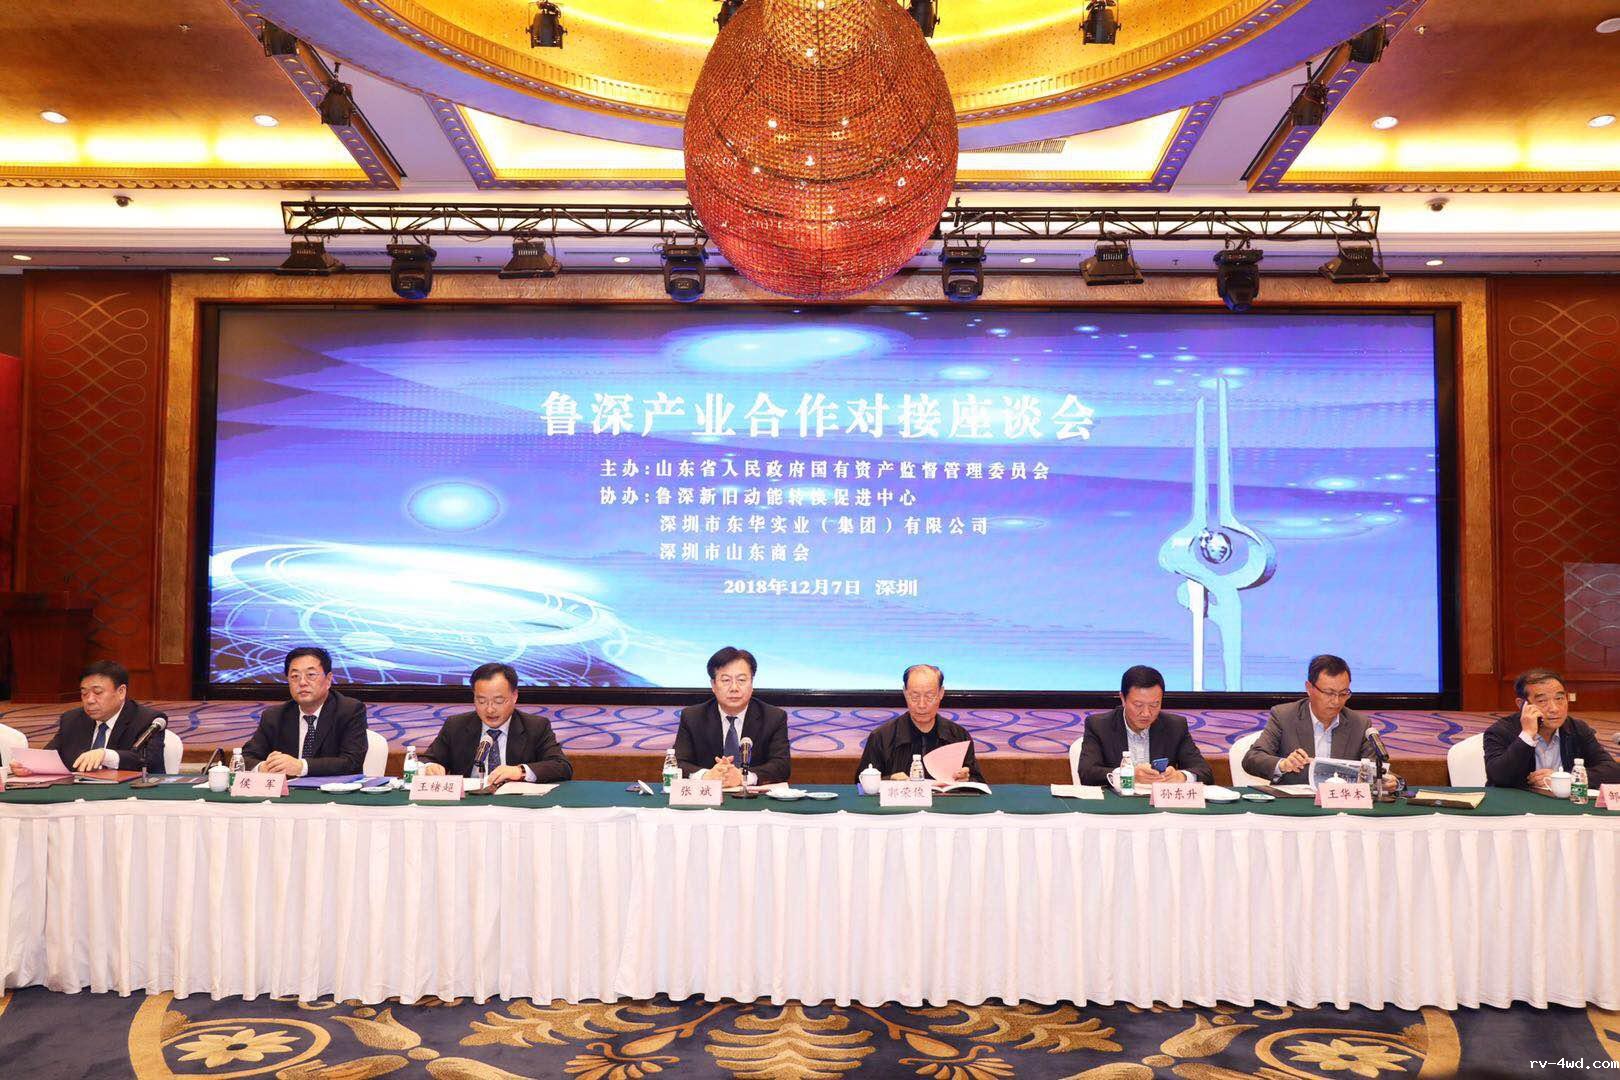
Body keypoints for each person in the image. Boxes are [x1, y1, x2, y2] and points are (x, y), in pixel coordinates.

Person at [1241, 654, 1394, 788]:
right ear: (1309, 688)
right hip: (1295, 805)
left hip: (1341, 805)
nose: (1336, 701)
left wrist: (1389, 782)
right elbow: (1252, 758)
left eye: (1343, 693)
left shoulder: (1360, 724)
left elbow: (1377, 770)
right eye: (1329, 693)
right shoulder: (1284, 716)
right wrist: (1283, 764)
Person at [419, 662, 572, 784]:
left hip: (515, 806)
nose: (490, 709)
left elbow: (561, 766)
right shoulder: (456, 726)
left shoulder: (535, 726)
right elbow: (427, 760)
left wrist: (520, 771)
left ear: (514, 696)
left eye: (498, 701)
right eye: (481, 701)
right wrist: (429, 767)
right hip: (469, 804)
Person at [14, 660, 166, 776]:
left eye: (97, 692)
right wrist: (30, 766)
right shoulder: (72, 719)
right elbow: (50, 756)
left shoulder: (148, 720)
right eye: (84, 693)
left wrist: (105, 755)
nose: (89, 700)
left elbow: (150, 761)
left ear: (121, 692)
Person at [1482, 667, 1620, 791]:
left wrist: (1564, 778)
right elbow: (1498, 777)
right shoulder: (1501, 731)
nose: (1554, 709)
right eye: (1542, 701)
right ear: (1522, 704)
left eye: (1559, 698)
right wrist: (1527, 736)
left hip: (1564, 806)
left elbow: (1613, 772)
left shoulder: (1577, 729)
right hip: (1517, 807)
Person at [673, 646, 791, 785]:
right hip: (708, 796)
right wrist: (707, 775)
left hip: (752, 796)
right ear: (713, 685)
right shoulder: (693, 717)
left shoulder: (773, 717)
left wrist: (743, 777)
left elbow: (781, 767)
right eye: (726, 680)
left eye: (741, 680)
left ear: (751, 683)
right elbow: (677, 762)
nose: (734, 688)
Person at [242, 646, 368, 776]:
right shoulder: (274, 716)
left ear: (328, 679)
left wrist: (301, 767)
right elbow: (244, 758)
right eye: (295, 676)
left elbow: (352, 762)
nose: (302, 682)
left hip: (334, 788)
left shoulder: (349, 711)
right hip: (289, 788)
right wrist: (263, 767)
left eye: (311, 675)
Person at [1076, 665, 1211, 786]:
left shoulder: (1175, 726)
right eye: (1138, 705)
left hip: (1159, 804)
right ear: (1123, 699)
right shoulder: (1099, 726)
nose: (1146, 713)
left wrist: (1181, 776)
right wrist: (1130, 775)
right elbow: (1087, 774)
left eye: (1154, 705)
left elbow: (1205, 772)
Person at [855, 664, 983, 782]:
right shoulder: (882, 737)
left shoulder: (958, 736)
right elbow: (861, 783)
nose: (922, 705)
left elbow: (978, 782)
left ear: (941, 693)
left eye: (929, 696)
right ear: (905, 693)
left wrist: (967, 779)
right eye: (915, 696)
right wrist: (889, 780)